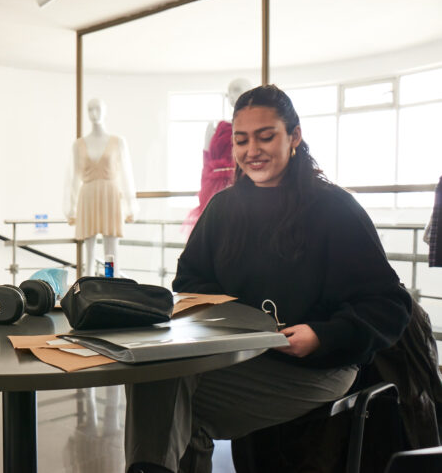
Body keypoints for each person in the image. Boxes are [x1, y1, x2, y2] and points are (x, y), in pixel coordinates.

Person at [124, 85, 412, 473]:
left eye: (266, 136)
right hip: (241, 353)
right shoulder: (224, 207)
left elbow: (389, 305)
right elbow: (190, 277)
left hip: (321, 366)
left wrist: (322, 335)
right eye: (242, 140)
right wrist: (236, 319)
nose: (251, 150)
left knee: (172, 403)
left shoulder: (334, 209)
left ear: (294, 136)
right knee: (158, 373)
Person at [64, 98, 138, 277]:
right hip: (87, 194)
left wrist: (131, 205)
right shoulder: (78, 144)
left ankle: (110, 280)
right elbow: (72, 178)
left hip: (110, 195)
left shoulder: (118, 142)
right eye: (90, 110)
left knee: (111, 247)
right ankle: (87, 282)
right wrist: (70, 209)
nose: (94, 114)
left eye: (97, 109)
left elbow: (127, 175)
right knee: (88, 247)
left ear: (105, 111)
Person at [182, 78, 252, 235]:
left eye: (237, 89)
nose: (232, 95)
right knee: (214, 232)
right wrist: (204, 187)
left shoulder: (253, 128)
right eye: (229, 92)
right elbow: (206, 160)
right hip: (213, 186)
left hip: (241, 184)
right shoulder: (215, 127)